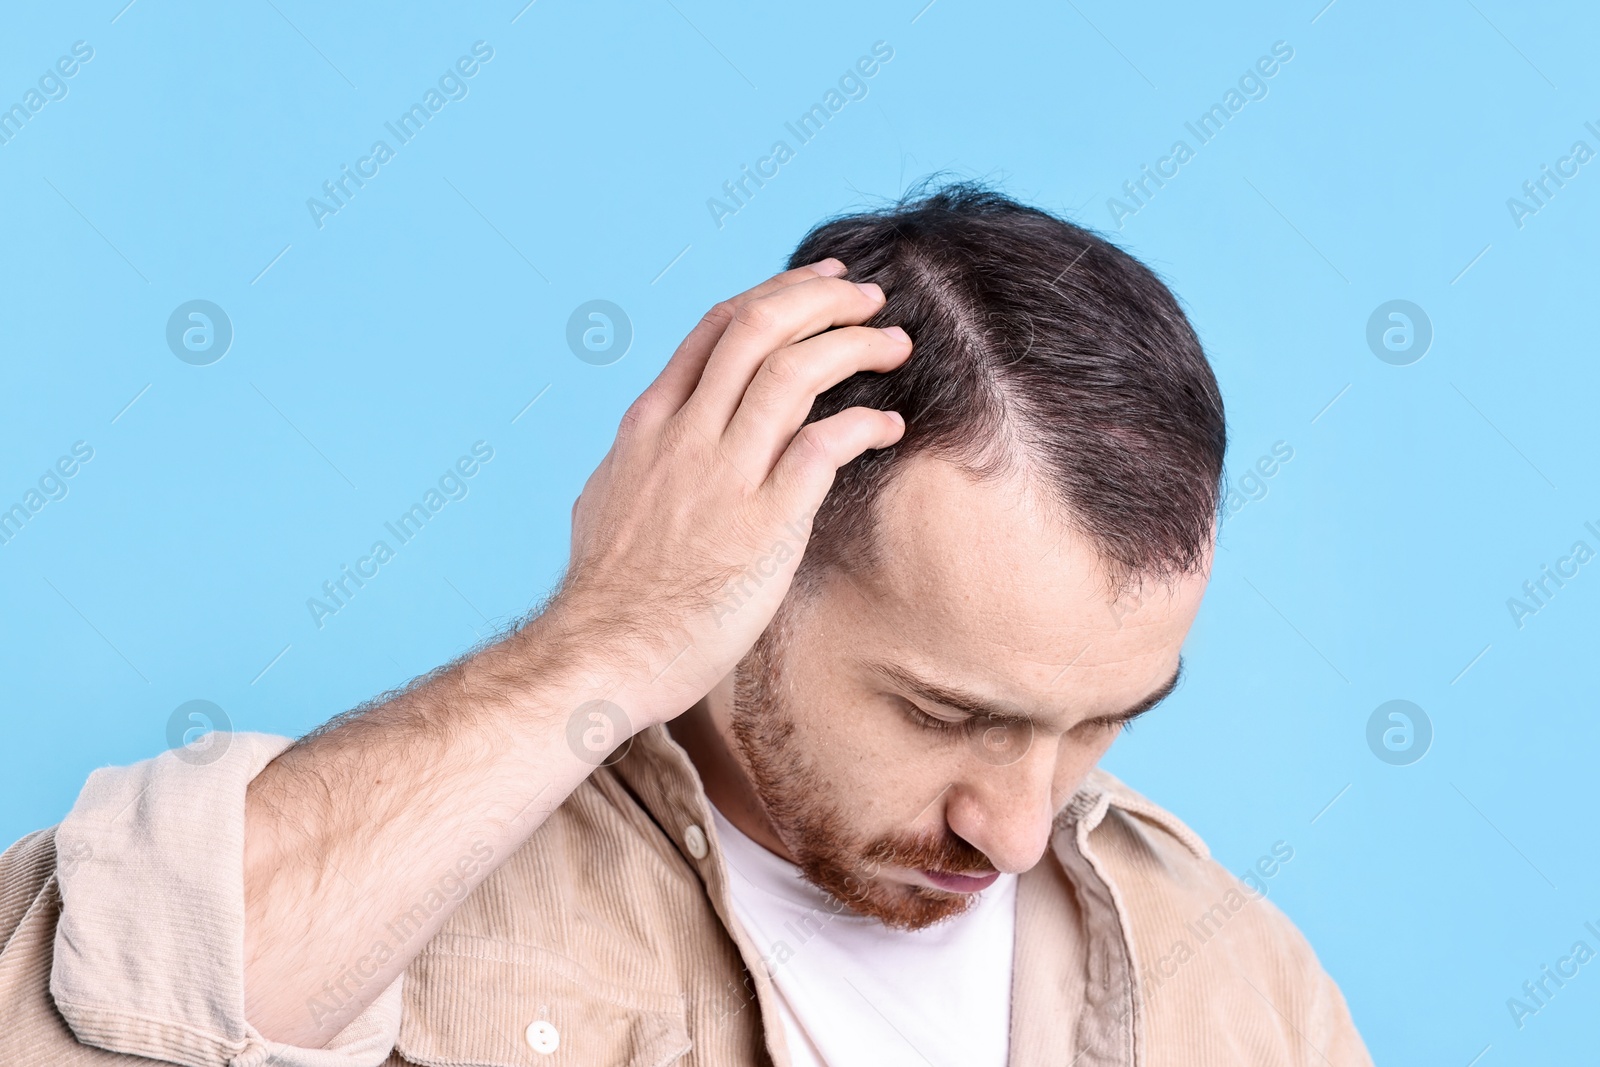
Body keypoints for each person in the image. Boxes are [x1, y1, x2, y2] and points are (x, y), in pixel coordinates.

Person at [0, 182, 1372, 1066]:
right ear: (758, 558)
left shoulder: (1243, 988)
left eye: (1102, 725)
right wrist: (599, 638)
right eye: (949, 715)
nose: (1014, 832)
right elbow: (72, 1025)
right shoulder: (414, 893)